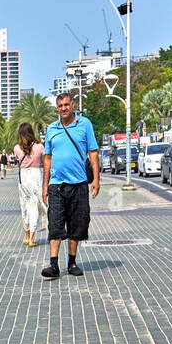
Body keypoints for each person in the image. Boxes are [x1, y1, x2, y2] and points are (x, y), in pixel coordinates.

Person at [41, 92, 100, 278]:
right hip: (57, 185)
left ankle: (72, 262)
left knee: (77, 224)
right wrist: (45, 186)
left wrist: (96, 179)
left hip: (79, 183)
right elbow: (47, 159)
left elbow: (93, 153)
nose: (63, 109)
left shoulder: (85, 124)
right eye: (60, 106)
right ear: (57, 108)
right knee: (55, 224)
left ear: (72, 105)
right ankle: (53, 265)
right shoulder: (52, 129)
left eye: (66, 105)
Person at [14, 122, 45, 246]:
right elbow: (45, 162)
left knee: (24, 207)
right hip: (36, 176)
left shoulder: (17, 148)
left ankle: (27, 236)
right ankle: (32, 238)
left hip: (23, 178)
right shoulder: (39, 147)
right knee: (34, 207)